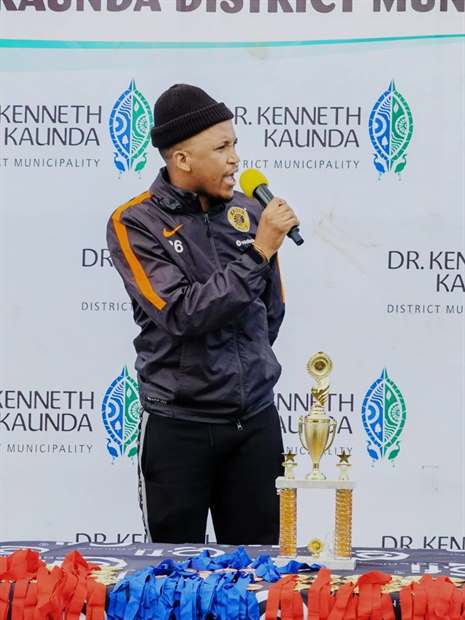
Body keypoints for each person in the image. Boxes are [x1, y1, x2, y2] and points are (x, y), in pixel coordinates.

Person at [106, 83, 299, 545]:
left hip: (255, 423)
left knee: (260, 572)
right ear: (182, 159)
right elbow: (181, 313)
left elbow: (270, 313)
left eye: (235, 144)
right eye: (221, 147)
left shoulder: (251, 213)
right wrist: (258, 253)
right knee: (170, 573)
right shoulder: (135, 222)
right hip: (179, 428)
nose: (235, 159)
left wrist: (244, 367)